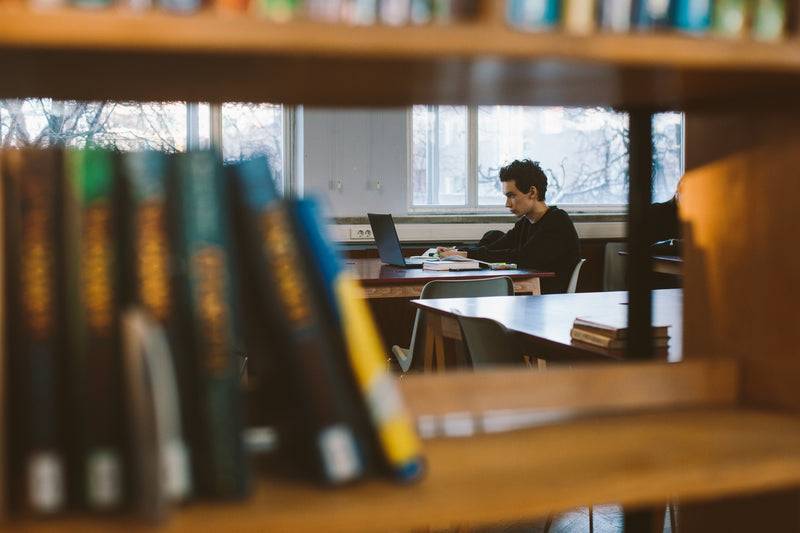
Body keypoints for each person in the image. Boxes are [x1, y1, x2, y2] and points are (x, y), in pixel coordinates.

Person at [437, 159, 581, 294]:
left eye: (511, 196)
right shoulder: (526, 223)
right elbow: (497, 247)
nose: (507, 204)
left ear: (532, 192)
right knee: (492, 236)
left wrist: (467, 255)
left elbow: (523, 257)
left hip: (548, 300)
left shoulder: (557, 221)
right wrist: (457, 252)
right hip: (524, 293)